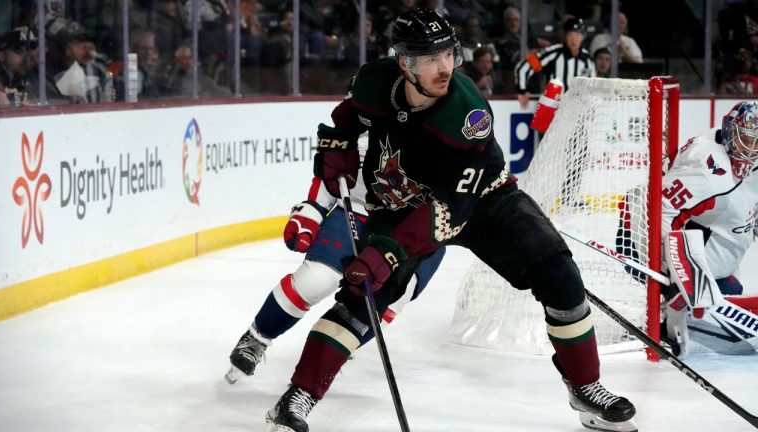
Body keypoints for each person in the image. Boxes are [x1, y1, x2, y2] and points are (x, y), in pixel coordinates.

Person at [264, 8, 636, 432]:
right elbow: (349, 115)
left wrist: (387, 250)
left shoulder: (466, 114)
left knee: (560, 273)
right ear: (404, 63)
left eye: (448, 55)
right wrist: (339, 144)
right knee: (360, 296)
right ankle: (298, 396)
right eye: (430, 58)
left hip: (483, 200)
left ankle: (585, 387)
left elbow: (450, 211)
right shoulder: (374, 79)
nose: (445, 68)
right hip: (401, 202)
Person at [224, 159, 446, 383]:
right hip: (357, 209)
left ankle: (326, 363)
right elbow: (335, 160)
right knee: (316, 279)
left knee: (378, 307)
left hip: (417, 230)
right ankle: (256, 338)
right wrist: (313, 209)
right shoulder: (367, 123)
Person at [620, 101, 758, 357]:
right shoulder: (709, 174)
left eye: (756, 143)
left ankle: (678, 301)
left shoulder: (735, 156)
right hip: (639, 229)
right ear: (730, 132)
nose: (750, 151)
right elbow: (659, 209)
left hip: (699, 233)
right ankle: (668, 319)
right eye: (745, 140)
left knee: (729, 297)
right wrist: (675, 274)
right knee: (707, 304)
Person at [514, 17, 595, 109]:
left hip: (576, 110)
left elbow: (592, 86)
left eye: (577, 35)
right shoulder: (553, 53)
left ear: (583, 37)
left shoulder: (587, 59)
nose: (574, 39)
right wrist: (522, 91)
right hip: (552, 109)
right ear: (565, 36)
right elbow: (523, 67)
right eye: (570, 35)